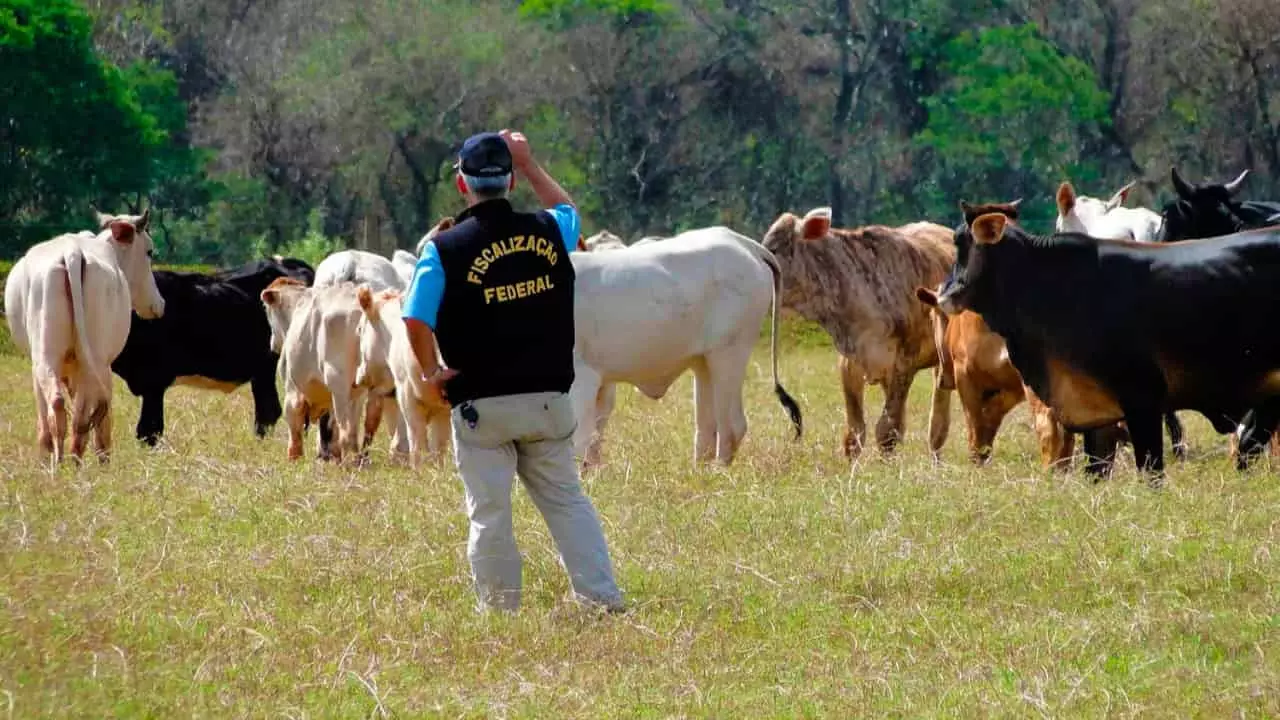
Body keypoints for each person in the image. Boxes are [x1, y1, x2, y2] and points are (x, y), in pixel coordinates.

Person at [401, 129, 624, 614]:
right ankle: (602, 600)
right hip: (547, 399)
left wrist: (429, 371)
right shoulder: (548, 230)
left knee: (490, 513)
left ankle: (501, 612)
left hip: (482, 405)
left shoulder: (443, 250)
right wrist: (530, 163)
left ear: (462, 186)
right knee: (567, 501)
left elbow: (415, 316)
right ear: (510, 183)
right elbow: (571, 213)